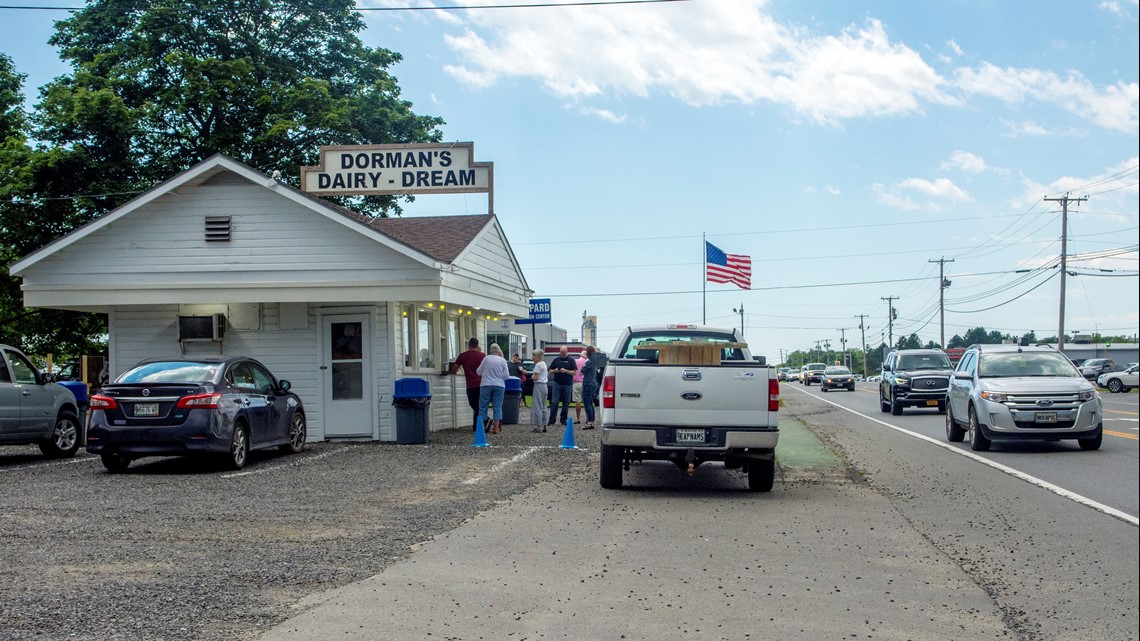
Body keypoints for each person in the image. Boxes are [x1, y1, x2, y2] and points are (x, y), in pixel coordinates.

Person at [448, 337, 485, 432]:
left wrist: (453, 371)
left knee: (473, 404)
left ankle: (477, 426)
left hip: (470, 384)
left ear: (469, 345)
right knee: (478, 405)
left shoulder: (463, 356)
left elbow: (454, 367)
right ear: (477, 345)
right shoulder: (482, 356)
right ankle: (481, 423)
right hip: (481, 383)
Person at [475, 344, 510, 435]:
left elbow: (478, 372)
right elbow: (506, 376)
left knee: (483, 407)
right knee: (497, 407)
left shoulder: (486, 359)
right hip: (499, 385)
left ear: (490, 350)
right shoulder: (502, 360)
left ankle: (481, 428)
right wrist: (498, 376)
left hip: (486, 384)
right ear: (498, 351)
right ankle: (496, 428)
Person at [547, 346, 577, 428]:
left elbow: (574, 372)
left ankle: (563, 420)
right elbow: (550, 371)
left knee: (566, 403)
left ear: (567, 352)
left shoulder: (571, 360)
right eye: (561, 353)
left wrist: (566, 371)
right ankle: (552, 420)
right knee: (554, 402)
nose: (562, 354)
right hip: (557, 383)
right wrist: (555, 370)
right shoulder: (556, 360)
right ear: (559, 352)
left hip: (567, 384)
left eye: (564, 353)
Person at [529, 348, 549, 431]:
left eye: (534, 355)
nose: (532, 357)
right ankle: (544, 424)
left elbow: (536, 377)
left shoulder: (538, 365)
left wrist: (532, 376)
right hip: (545, 386)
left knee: (537, 406)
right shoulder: (544, 364)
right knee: (544, 405)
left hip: (538, 386)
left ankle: (538, 425)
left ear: (538, 356)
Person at [580, 345, 600, 429]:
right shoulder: (594, 361)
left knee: (587, 403)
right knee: (590, 403)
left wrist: (584, 364)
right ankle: (592, 421)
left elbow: (582, 371)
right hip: (593, 384)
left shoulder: (588, 362)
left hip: (587, 384)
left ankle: (590, 422)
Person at [572, 350, 587, 424]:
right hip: (585, 383)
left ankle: (578, 418)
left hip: (576, 382)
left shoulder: (575, 361)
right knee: (586, 401)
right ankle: (588, 418)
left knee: (578, 401)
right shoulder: (587, 362)